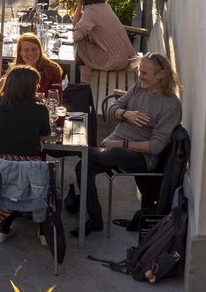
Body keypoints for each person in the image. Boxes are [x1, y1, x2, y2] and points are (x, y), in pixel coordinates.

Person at [71, 52, 182, 237]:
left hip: (141, 157)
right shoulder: (140, 87)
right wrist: (125, 114)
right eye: (139, 71)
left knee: (112, 152)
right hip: (112, 146)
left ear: (160, 75)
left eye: (144, 73)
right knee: (83, 166)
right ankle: (95, 218)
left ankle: (78, 150)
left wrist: (119, 143)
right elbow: (113, 107)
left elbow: (155, 147)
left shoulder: (171, 106)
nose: (140, 76)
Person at [0, 64, 51, 240]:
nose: (38, 87)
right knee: (47, 182)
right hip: (32, 170)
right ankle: (43, 229)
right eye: (36, 84)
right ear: (29, 86)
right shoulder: (39, 108)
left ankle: (3, 227)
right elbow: (46, 135)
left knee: (12, 175)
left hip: (2, 168)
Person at [72, 0, 137, 71]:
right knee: (82, 45)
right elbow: (75, 24)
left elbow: (77, 36)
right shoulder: (104, 6)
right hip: (123, 57)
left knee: (78, 46)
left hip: (113, 61)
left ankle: (76, 77)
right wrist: (80, 4)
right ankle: (80, 77)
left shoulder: (91, 11)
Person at [14, 32, 64, 100]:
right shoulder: (13, 71)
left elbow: (56, 98)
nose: (31, 53)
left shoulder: (53, 69)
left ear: (40, 50)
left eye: (34, 49)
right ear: (20, 52)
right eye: (26, 50)